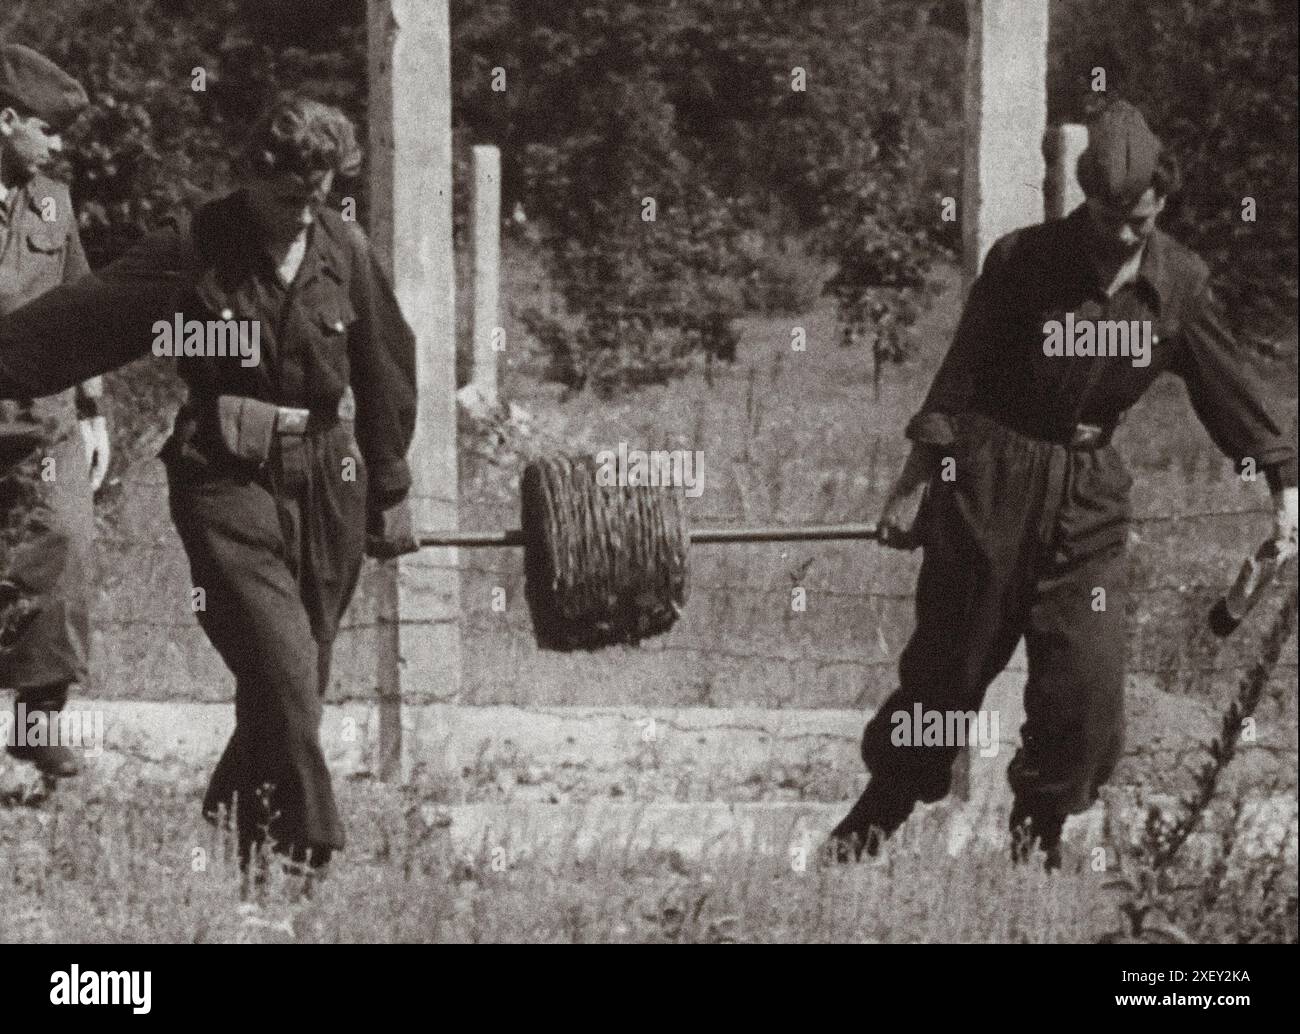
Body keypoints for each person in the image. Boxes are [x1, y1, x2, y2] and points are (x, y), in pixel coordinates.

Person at [826, 100, 1298, 868]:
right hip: (992, 479)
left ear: (1161, 204)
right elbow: (960, 378)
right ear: (1085, 197)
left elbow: (1230, 391)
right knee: (949, 673)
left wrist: (1284, 487)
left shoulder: (1177, 284)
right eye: (1106, 217)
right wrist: (915, 481)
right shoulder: (1023, 262)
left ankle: (1033, 850)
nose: (1119, 238)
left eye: (1137, 223)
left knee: (1086, 685)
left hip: (1090, 494)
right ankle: (868, 826)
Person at [0, 93, 419, 874]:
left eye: (320, 195)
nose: (304, 215)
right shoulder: (196, 245)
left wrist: (390, 488)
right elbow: (84, 319)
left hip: (329, 477)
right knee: (284, 664)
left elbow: (387, 365)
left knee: (297, 677)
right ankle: (305, 853)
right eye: (290, 197)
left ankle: (237, 812)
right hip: (224, 480)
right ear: (254, 177)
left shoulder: (345, 248)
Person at [0, 44, 109, 779]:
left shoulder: (52, 201)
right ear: (7, 120)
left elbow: (84, 306)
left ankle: (40, 723)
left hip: (44, 412)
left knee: (66, 547)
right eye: (49, 129)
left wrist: (96, 408)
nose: (59, 145)